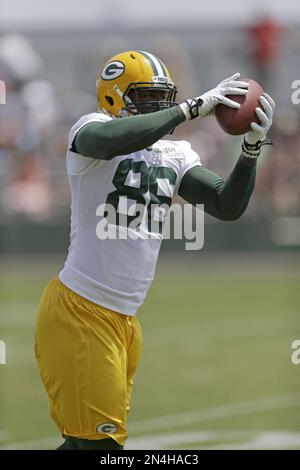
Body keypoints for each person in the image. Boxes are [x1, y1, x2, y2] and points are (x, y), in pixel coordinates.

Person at [35, 50, 275, 450]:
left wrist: (250, 150)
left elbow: (225, 204)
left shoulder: (174, 153)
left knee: (88, 443)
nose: (160, 107)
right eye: (147, 98)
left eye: (163, 98)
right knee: (101, 447)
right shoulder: (90, 128)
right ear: (113, 96)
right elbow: (109, 140)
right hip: (81, 311)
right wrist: (190, 108)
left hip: (126, 319)